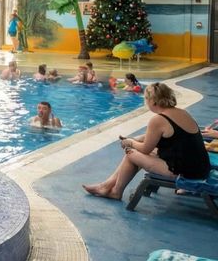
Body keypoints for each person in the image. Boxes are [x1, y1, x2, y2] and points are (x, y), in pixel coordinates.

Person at [83, 82, 211, 200]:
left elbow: (145, 149)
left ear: (153, 101)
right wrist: (137, 138)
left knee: (131, 153)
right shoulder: (182, 112)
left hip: (184, 172)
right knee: (139, 152)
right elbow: (169, 134)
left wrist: (130, 142)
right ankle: (106, 186)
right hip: (200, 167)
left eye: (146, 99)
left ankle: (115, 191)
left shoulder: (158, 120)